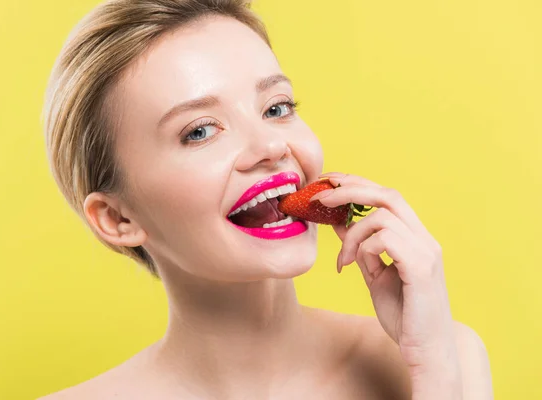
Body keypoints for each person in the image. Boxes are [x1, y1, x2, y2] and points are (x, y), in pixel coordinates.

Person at [40, 0, 493, 398]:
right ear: (117, 218)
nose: (272, 146)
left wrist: (433, 369)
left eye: (276, 108)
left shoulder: (443, 359)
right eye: (198, 131)